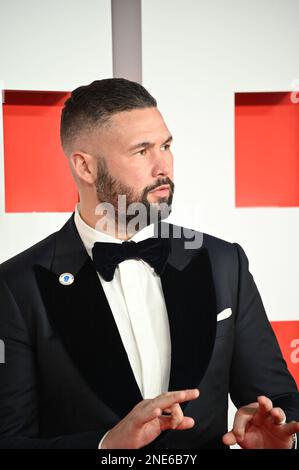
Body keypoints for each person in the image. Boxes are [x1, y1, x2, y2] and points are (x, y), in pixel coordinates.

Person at [0, 78, 298, 450]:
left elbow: (280, 402)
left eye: (166, 146)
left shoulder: (224, 263)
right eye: (141, 151)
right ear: (86, 168)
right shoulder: (16, 287)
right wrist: (106, 446)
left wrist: (280, 431)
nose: (163, 166)